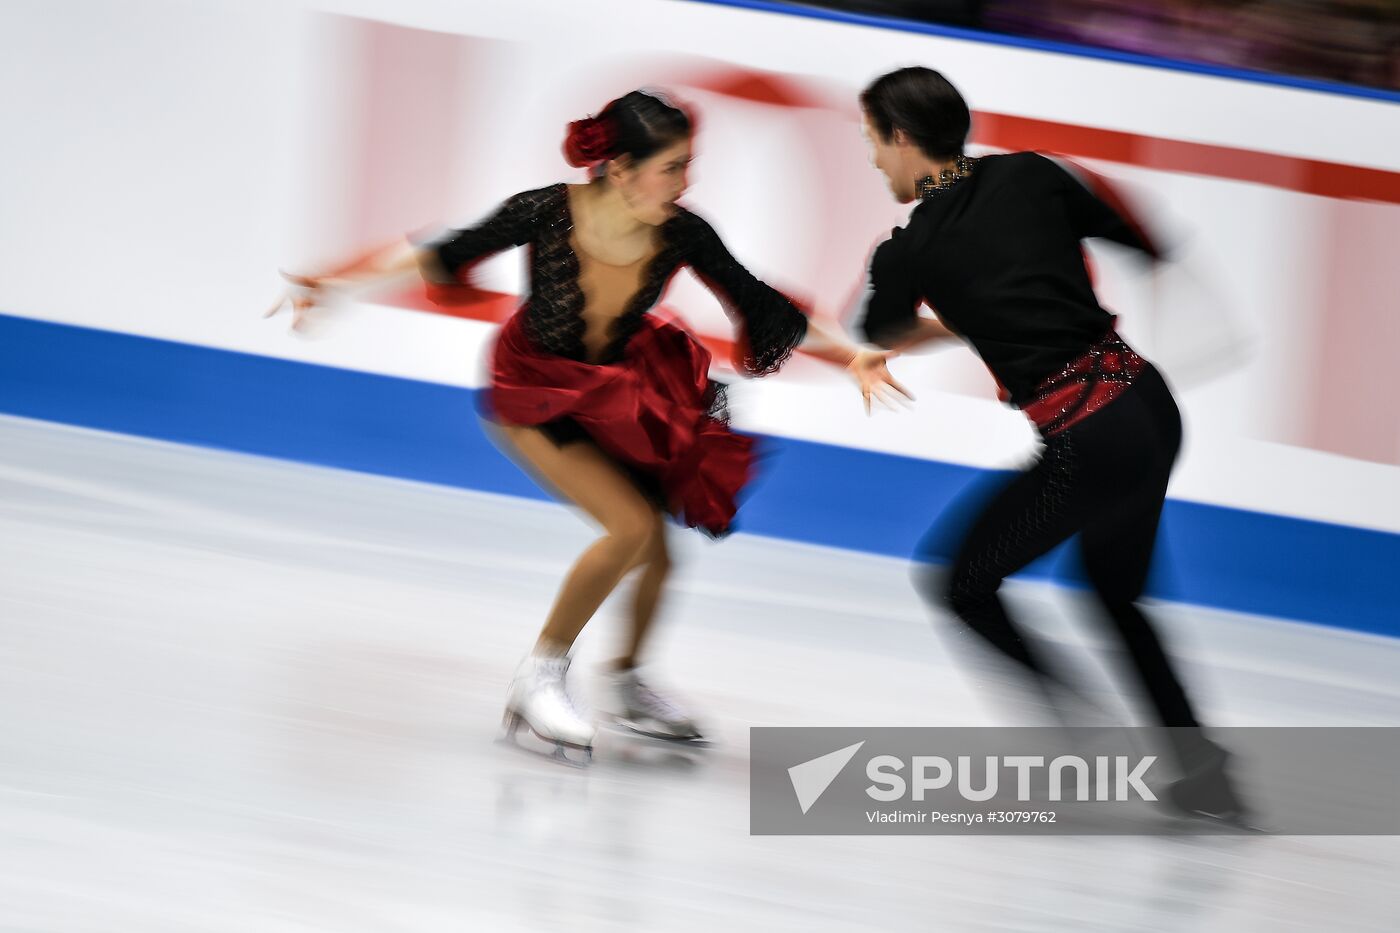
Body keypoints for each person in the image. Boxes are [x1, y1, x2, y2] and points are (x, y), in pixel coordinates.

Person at [267, 89, 907, 763]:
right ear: (620, 169)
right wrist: (334, 283)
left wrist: (853, 356)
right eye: (671, 167)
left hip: (615, 389)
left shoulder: (681, 231)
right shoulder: (546, 210)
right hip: (535, 391)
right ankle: (538, 676)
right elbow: (438, 253)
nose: (683, 181)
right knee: (628, 527)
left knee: (659, 550)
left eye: (687, 165)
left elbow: (764, 300)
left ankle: (627, 681)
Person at [854, 66, 1246, 824]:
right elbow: (1131, 234)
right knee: (1113, 592)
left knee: (962, 583)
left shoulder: (911, 249)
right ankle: (1203, 768)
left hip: (1086, 437)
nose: (873, 158)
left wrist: (930, 330)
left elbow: (884, 329)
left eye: (873, 139)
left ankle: (1081, 735)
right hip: (1146, 407)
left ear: (902, 138)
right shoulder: (1031, 175)